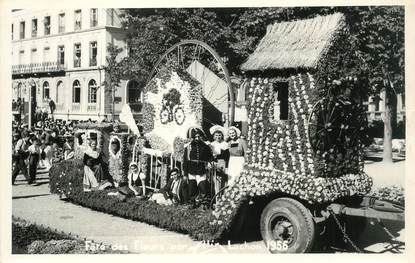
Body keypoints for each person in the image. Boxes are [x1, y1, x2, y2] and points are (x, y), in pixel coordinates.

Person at [183, 127, 213, 206]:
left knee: (203, 186)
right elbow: (185, 160)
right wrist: (185, 173)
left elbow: (210, 157)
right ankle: (192, 203)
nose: (197, 138)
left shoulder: (205, 146)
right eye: (195, 137)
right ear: (193, 137)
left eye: (199, 136)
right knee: (191, 188)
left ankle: (204, 204)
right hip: (191, 169)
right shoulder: (188, 147)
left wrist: (210, 162)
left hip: (201, 169)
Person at [208, 125, 230, 198]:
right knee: (216, 180)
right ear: (214, 136)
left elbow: (227, 156)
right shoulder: (212, 144)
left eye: (219, 135)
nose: (218, 137)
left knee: (223, 179)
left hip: (223, 163)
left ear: (222, 136)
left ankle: (223, 196)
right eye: (216, 135)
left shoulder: (225, 144)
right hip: (215, 163)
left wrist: (226, 166)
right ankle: (216, 197)